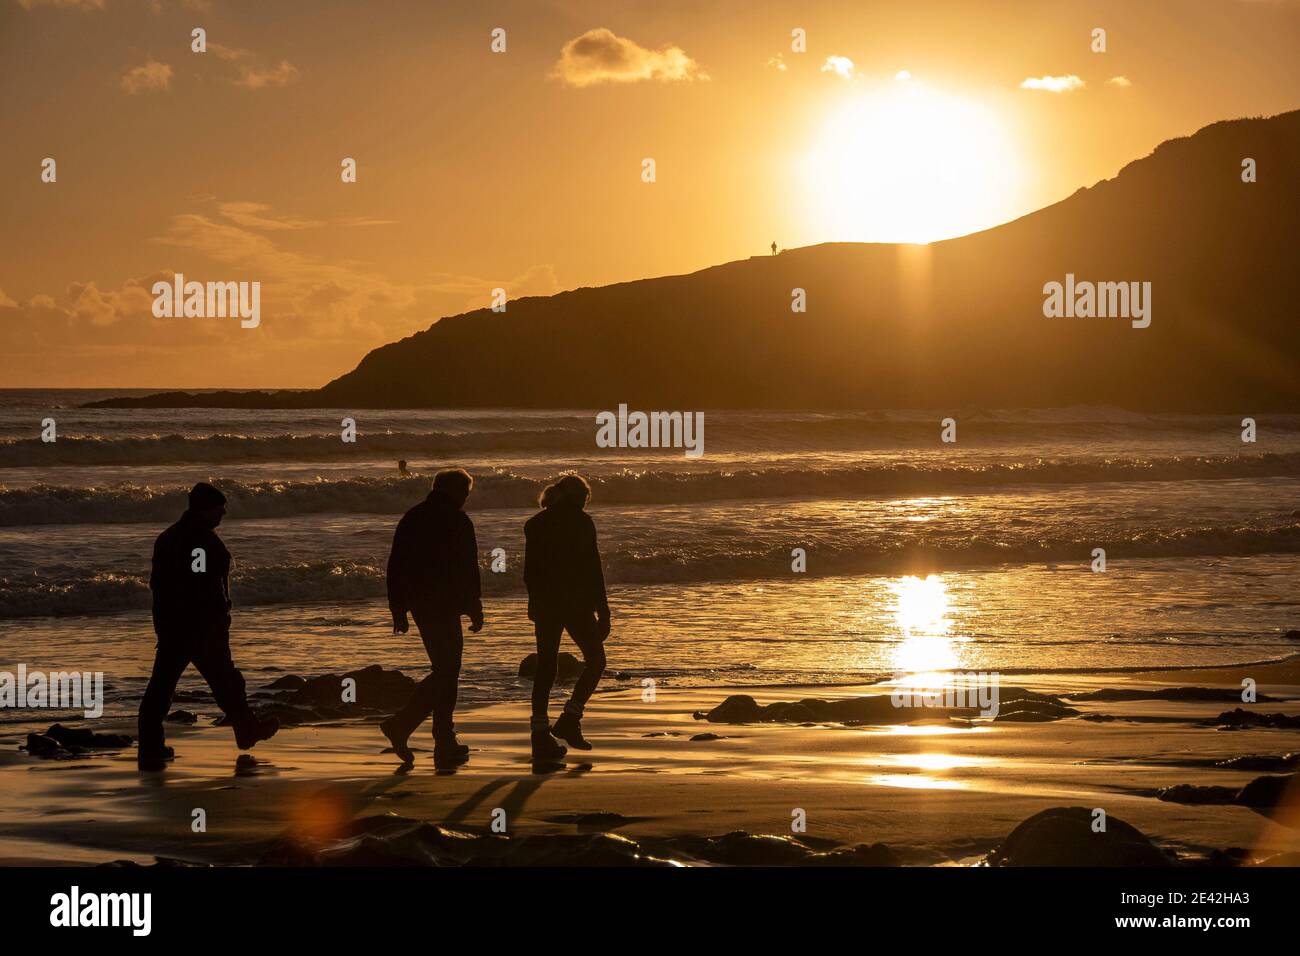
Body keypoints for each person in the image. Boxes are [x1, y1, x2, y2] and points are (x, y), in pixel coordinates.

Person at [138, 482, 278, 769]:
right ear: (206, 509)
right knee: (224, 681)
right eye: (219, 508)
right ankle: (246, 729)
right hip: (199, 627)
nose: (223, 513)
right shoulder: (198, 541)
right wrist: (218, 616)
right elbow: (202, 585)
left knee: (163, 687)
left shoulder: (169, 537)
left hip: (174, 626)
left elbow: (161, 587)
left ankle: (151, 745)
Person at [380, 468, 483, 765]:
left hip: (421, 604)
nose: (466, 498)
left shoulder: (412, 517)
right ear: (453, 491)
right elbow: (467, 568)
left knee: (445, 670)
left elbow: (395, 565)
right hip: (445, 605)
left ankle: (439, 739)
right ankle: (413, 729)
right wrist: (474, 606)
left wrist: (397, 608)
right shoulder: (458, 520)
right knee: (447, 672)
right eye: (464, 493)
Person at [523, 474, 610, 759]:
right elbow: (593, 569)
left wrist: (534, 604)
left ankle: (539, 734)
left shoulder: (536, 524)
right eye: (584, 500)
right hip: (576, 605)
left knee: (546, 667)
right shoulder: (581, 523)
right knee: (596, 661)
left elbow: (530, 573)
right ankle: (570, 719)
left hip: (546, 606)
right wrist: (603, 610)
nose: (585, 506)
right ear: (575, 498)